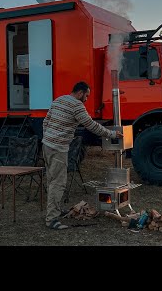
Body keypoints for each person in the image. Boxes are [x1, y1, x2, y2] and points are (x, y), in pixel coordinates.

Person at [42, 81, 123, 230]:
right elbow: (91, 125)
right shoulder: (77, 105)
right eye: (86, 95)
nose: (86, 99)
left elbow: (46, 121)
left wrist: (48, 137)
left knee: (51, 180)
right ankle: (52, 219)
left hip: (47, 145)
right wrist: (111, 134)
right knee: (58, 183)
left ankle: (56, 210)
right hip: (58, 148)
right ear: (80, 93)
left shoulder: (59, 100)